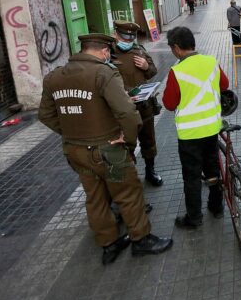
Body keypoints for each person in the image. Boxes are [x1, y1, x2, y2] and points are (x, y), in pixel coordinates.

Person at [38, 33, 172, 265]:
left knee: (95, 198)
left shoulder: (54, 77)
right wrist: (127, 141)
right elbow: (127, 113)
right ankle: (141, 239)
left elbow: (45, 115)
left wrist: (73, 134)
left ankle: (108, 244)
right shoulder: (103, 73)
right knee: (128, 194)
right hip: (108, 151)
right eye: (108, 53)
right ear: (104, 51)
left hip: (76, 151)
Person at [162, 27, 228, 228]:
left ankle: (194, 218)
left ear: (176, 48)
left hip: (190, 135)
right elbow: (224, 85)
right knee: (213, 170)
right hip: (211, 129)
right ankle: (216, 207)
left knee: (191, 177)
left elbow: (169, 103)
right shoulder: (211, 62)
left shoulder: (177, 71)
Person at [111, 21, 162, 187]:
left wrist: (147, 66)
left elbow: (153, 71)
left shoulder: (139, 50)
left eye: (131, 37)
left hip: (144, 106)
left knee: (148, 140)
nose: (128, 41)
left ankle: (150, 171)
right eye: (125, 37)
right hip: (122, 110)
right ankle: (131, 178)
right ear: (116, 34)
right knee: (126, 144)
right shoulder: (109, 53)